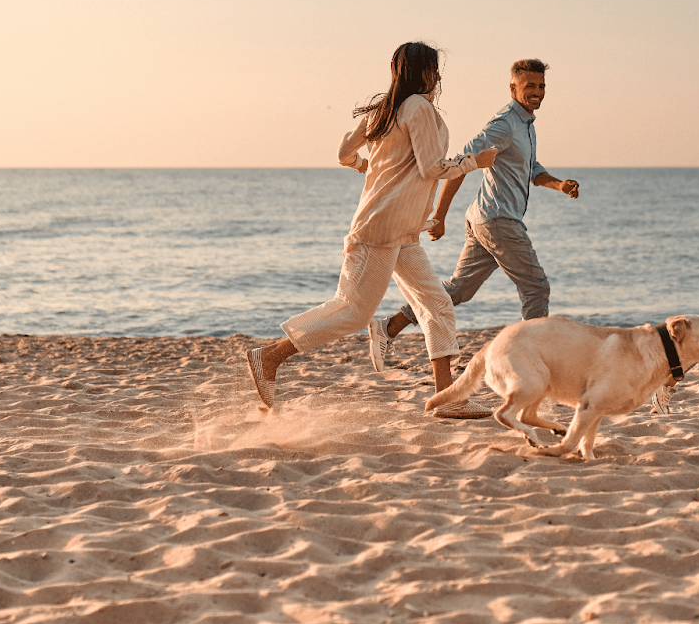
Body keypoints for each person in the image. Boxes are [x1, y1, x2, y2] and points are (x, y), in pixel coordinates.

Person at [244, 41, 499, 418]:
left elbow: (344, 153)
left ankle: (449, 398)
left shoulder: (385, 110)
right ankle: (270, 356)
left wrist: (367, 168)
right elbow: (432, 168)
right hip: (379, 231)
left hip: (400, 232)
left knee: (437, 305)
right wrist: (474, 162)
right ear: (421, 72)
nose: (439, 76)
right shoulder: (418, 107)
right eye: (434, 69)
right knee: (353, 312)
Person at [368, 58, 579, 380]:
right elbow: (465, 159)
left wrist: (559, 184)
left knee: (461, 289)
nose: (537, 92)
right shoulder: (505, 123)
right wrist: (439, 215)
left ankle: (390, 326)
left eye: (541, 86)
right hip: (498, 220)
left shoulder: (525, 126)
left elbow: (531, 169)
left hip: (484, 219)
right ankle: (534, 360)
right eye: (529, 87)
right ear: (513, 88)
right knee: (536, 288)